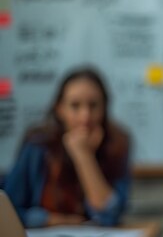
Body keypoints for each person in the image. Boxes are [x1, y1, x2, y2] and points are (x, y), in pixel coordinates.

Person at [4, 68, 130, 228]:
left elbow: (109, 216)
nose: (85, 116)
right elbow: (9, 210)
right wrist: (49, 220)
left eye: (93, 105)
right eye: (75, 106)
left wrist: (84, 156)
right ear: (60, 108)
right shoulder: (37, 146)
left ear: (104, 107)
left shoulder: (117, 145)